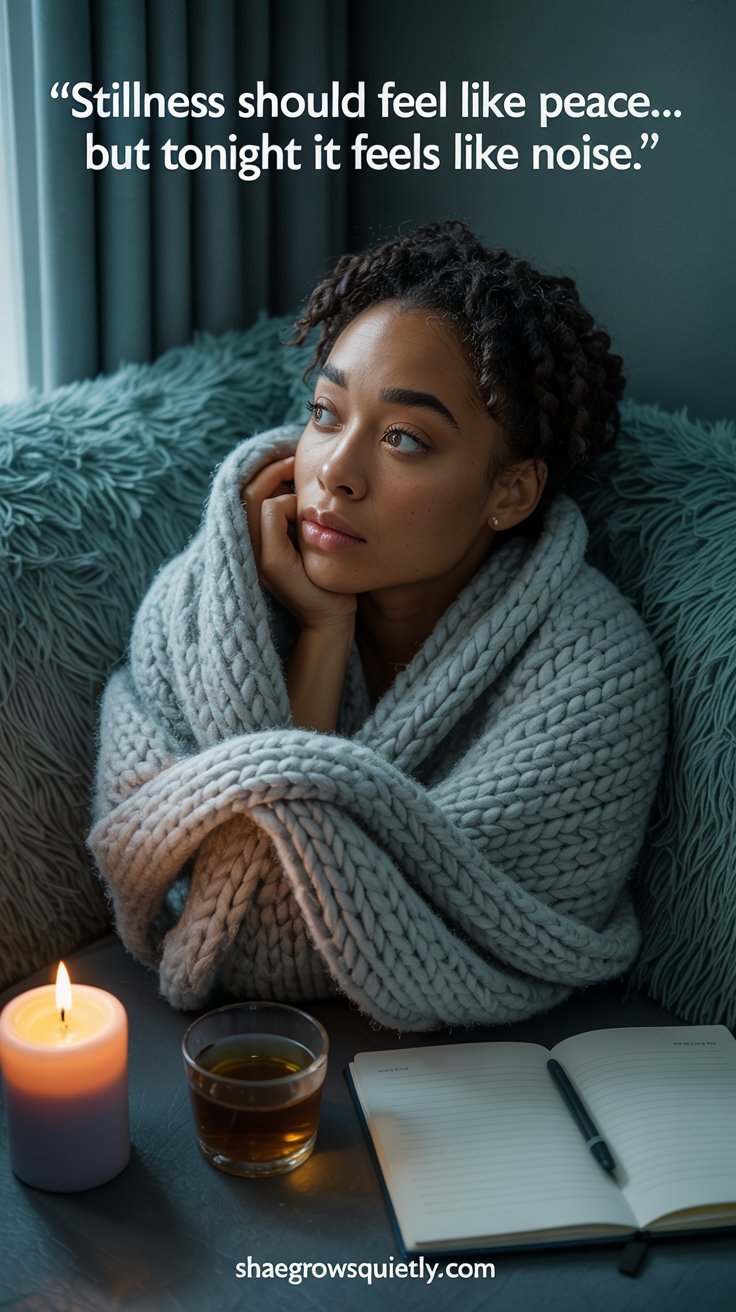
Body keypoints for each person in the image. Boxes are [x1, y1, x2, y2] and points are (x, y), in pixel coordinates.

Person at [88, 220, 669, 1031]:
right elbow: (228, 905)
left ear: (511, 493)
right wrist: (323, 637)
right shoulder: (203, 602)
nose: (337, 471)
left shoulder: (591, 677)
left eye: (404, 438)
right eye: (326, 413)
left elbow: (260, 931)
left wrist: (278, 774)